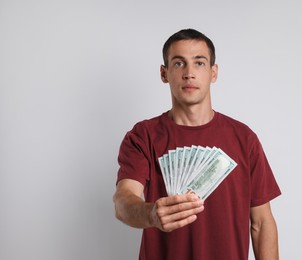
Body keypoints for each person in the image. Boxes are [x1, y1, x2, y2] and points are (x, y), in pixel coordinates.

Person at [113, 28, 281, 260]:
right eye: (179, 63)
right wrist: (150, 214)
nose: (189, 73)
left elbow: (261, 223)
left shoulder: (244, 138)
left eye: (199, 63)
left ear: (214, 72)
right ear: (164, 73)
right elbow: (123, 201)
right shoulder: (143, 136)